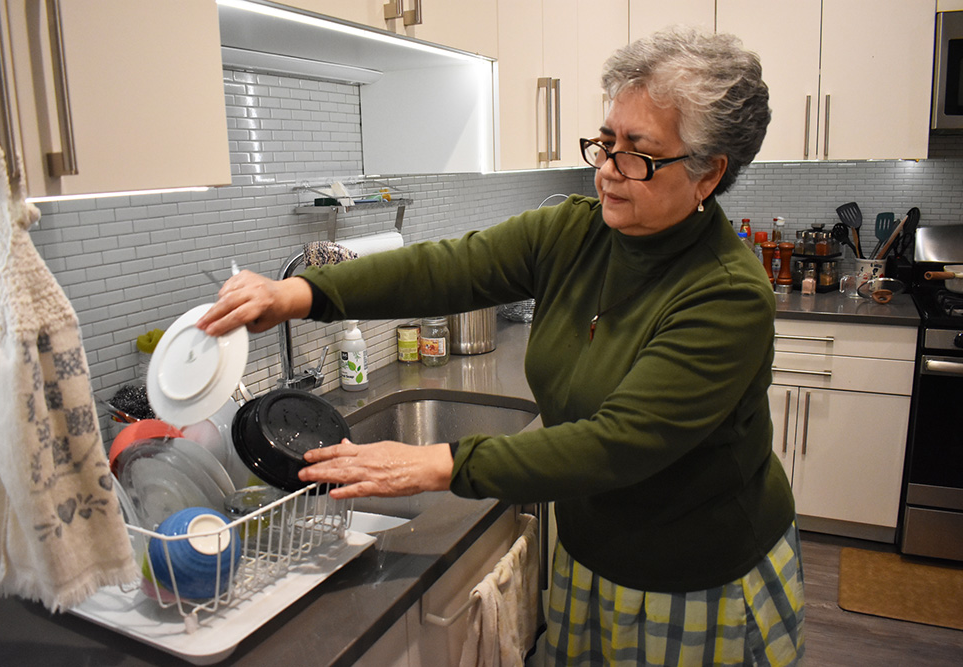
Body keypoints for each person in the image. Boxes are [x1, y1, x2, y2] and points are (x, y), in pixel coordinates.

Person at [198, 26, 804, 666]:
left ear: (709, 173)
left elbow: (619, 443)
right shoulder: (575, 231)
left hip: (693, 579)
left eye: (637, 153)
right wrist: (300, 295)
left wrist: (436, 464)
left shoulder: (725, 293)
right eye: (606, 141)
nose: (606, 169)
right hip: (591, 552)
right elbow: (447, 268)